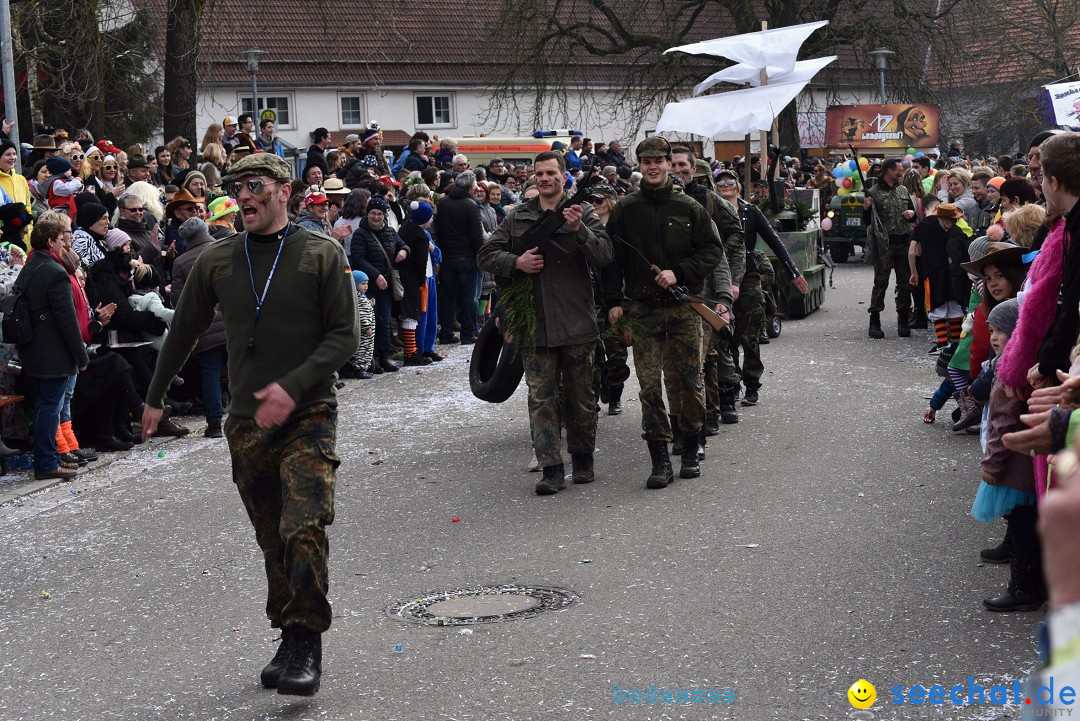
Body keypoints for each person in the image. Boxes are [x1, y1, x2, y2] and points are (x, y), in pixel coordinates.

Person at [141, 152, 359, 696]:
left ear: (284, 192)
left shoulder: (321, 254)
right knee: (271, 536)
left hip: (309, 413)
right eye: (237, 187)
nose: (244, 195)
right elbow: (185, 331)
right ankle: (288, 630)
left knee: (303, 526)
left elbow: (344, 337)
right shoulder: (218, 260)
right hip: (246, 422)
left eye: (256, 185)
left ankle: (308, 639)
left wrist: (294, 385)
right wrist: (154, 397)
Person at [478, 150, 612, 495]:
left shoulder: (581, 213)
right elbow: (486, 255)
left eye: (551, 172)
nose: (544, 178)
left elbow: (605, 255)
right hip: (535, 325)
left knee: (581, 396)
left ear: (564, 176)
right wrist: (516, 261)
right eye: (539, 173)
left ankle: (582, 458)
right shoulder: (518, 216)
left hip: (576, 321)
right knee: (541, 398)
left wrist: (579, 230)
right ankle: (551, 466)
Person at [601, 136, 723, 488]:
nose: (653, 166)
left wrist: (681, 272)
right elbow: (612, 260)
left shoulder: (689, 207)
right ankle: (659, 461)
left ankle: (689, 450)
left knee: (689, 382)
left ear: (670, 164)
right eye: (646, 161)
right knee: (649, 387)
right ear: (639, 166)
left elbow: (711, 251)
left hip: (683, 309)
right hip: (643, 311)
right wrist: (614, 301)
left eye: (659, 160)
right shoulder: (626, 209)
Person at [714, 168, 808, 407]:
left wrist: (794, 272)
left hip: (748, 276)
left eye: (729, 181)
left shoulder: (750, 212)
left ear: (737, 185)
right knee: (726, 336)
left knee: (750, 334)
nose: (725, 185)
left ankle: (752, 385)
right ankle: (731, 383)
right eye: (720, 182)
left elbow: (774, 241)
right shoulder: (710, 211)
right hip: (718, 278)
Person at [668, 148, 740, 427]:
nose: (677, 169)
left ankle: (717, 406)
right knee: (678, 366)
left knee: (711, 354)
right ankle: (686, 420)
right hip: (670, 296)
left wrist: (729, 285)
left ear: (693, 168)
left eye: (682, 165)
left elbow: (730, 241)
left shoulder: (708, 202)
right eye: (672, 164)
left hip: (706, 291)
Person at [17, 211, 89, 480]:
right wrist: (80, 356)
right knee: (50, 407)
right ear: (50, 241)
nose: (65, 244)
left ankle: (49, 459)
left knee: (44, 406)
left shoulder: (31, 266)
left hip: (33, 349)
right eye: (61, 239)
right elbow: (67, 321)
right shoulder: (55, 272)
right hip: (53, 353)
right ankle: (47, 463)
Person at [170, 217, 228, 438]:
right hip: (234, 319)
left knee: (210, 373)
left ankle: (214, 425)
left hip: (205, 324)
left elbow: (179, 302)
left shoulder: (181, 262)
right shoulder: (223, 249)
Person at [347, 194, 407, 373]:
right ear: (367, 214)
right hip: (369, 285)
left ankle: (384, 356)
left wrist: (404, 251)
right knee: (369, 322)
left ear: (384, 214)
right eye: (373, 213)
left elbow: (403, 245)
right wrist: (376, 276)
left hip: (387, 285)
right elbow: (358, 259)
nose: (376, 217)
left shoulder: (389, 231)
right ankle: (370, 360)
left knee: (385, 321)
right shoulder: (360, 233)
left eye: (379, 214)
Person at [864, 157, 917, 338]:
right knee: (881, 283)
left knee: (904, 284)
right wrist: (866, 209)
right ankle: (874, 321)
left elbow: (913, 214)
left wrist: (912, 213)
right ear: (889, 171)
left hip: (904, 242)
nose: (901, 172)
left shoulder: (903, 190)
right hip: (884, 244)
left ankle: (903, 319)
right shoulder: (873, 192)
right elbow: (867, 223)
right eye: (899, 170)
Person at [434, 171, 484, 345]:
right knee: (468, 298)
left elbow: (438, 231)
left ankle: (446, 334)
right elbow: (477, 235)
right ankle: (468, 333)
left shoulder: (443, 203)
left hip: (447, 258)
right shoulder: (470, 205)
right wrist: (483, 256)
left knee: (448, 298)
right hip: (467, 258)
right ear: (470, 188)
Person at [396, 201, 433, 366]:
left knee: (405, 312)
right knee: (411, 312)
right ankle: (410, 353)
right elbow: (421, 262)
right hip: (411, 278)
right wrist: (420, 281)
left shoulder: (404, 228)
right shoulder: (421, 236)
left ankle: (411, 350)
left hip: (399, 274)